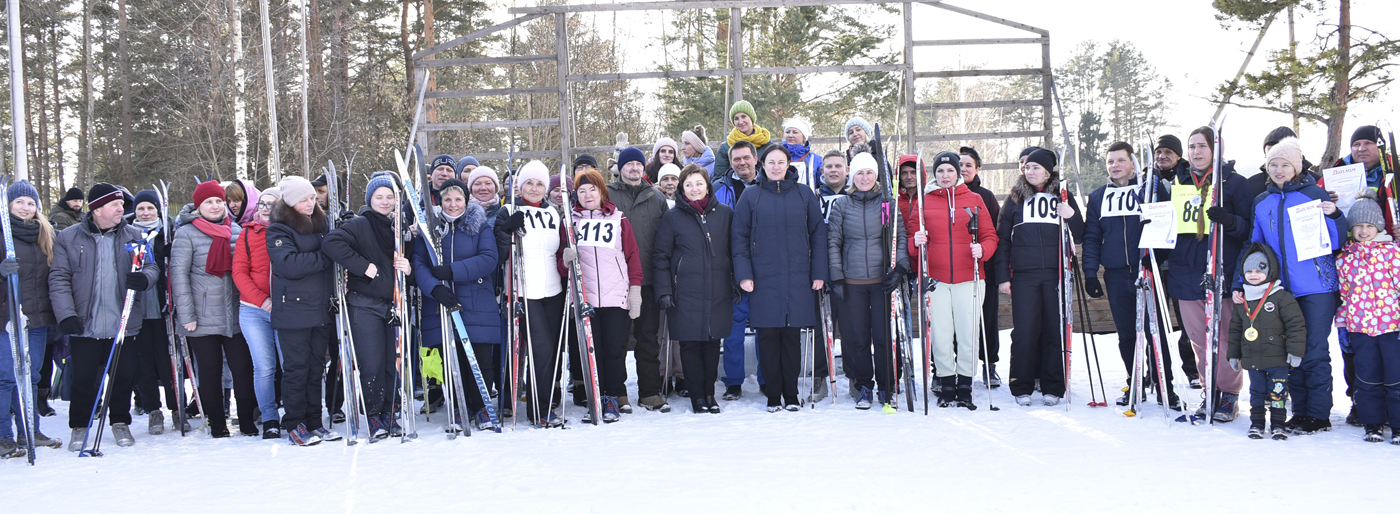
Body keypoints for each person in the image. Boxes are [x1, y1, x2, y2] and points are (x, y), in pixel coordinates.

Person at [1234, 137, 1344, 432]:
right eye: (1273, 165)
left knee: (1314, 349)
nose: (1279, 170)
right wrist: (1239, 281)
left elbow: (1336, 241)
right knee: (1287, 350)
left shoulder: (1313, 195)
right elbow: (1253, 247)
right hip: (1281, 290)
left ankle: (1319, 414)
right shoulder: (1262, 202)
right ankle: (1300, 410)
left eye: (1285, 165)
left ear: (1296, 167)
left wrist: (1335, 215)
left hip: (1317, 286)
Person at [50, 183, 159, 450]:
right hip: (85, 323)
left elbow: (151, 266)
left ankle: (120, 422)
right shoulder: (69, 237)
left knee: (123, 377)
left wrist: (144, 279)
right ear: (97, 209)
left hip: (123, 323)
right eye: (115, 205)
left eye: (122, 204)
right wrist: (66, 315)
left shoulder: (134, 235)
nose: (122, 209)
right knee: (84, 379)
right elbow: (59, 277)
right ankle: (80, 425)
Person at [1082, 142, 1179, 409]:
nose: (1115, 166)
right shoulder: (1099, 196)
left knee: (1154, 332)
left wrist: (1157, 256)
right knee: (1127, 335)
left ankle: (1164, 386)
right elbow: (1092, 236)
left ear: (1133, 164)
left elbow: (1165, 224)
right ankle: (1135, 380)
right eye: (1110, 161)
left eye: (1120, 161)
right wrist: (1090, 272)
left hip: (1147, 271)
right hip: (1115, 274)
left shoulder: (1149, 190)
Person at [1165, 126, 1252, 422]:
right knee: (1198, 339)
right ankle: (1210, 390)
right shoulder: (1179, 181)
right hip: (1185, 272)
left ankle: (1228, 394)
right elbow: (1169, 226)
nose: (1197, 152)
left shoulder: (1234, 184)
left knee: (1225, 337)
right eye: (1192, 146)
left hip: (1221, 270)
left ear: (1217, 150)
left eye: (1202, 146)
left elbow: (1250, 230)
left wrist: (1230, 221)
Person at [323, 174, 421, 438]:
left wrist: (408, 268)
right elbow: (331, 243)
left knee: (393, 364)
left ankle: (390, 411)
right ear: (370, 199)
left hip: (395, 306)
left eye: (390, 197)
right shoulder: (359, 224)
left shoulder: (400, 227)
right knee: (372, 364)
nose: (385, 201)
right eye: (380, 197)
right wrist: (364, 267)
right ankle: (374, 416)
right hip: (364, 305)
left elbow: (411, 270)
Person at [732, 144, 828, 412]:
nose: (776, 167)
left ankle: (791, 394)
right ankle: (773, 395)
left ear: (788, 165)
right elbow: (738, 238)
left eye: (781, 162)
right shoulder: (751, 197)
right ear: (762, 164)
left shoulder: (803, 194)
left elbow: (818, 234)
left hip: (798, 277)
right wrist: (744, 275)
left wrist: (819, 272)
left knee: (791, 338)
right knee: (768, 337)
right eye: (771, 162)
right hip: (762, 278)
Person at [993, 149, 1084, 407]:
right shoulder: (1014, 199)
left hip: (1055, 274)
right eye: (1027, 167)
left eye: (1036, 168)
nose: (1030, 172)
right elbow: (1002, 240)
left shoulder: (1062, 196)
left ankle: (1052, 384)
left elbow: (1079, 234)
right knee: (1025, 330)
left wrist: (1071, 215)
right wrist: (1003, 276)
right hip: (1024, 276)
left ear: (1048, 171)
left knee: (1054, 329)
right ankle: (1021, 384)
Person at [909, 151, 997, 409]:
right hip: (935, 279)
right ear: (934, 175)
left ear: (957, 173)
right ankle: (946, 383)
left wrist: (983, 250)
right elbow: (911, 243)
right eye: (940, 171)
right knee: (941, 334)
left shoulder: (974, 199)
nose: (945, 175)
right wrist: (916, 242)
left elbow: (990, 235)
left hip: (968, 277)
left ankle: (965, 384)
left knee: (969, 333)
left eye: (950, 171)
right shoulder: (924, 202)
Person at [171, 181, 255, 438]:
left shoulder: (238, 230)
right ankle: (217, 423)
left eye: (219, 201)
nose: (216, 206)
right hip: (201, 316)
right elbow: (178, 276)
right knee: (210, 371)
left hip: (236, 314)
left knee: (242, 369)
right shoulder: (186, 234)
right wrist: (187, 316)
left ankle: (247, 420)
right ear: (198, 206)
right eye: (209, 202)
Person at [560, 169, 643, 423]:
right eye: (582, 191)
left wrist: (635, 292)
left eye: (592, 189)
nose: (587, 195)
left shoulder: (619, 219)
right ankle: (595, 396)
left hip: (615, 296)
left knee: (614, 351)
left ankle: (612, 397)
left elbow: (632, 257)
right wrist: (565, 260)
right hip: (584, 299)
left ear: (601, 191)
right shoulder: (570, 222)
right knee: (591, 352)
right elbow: (561, 266)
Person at [828, 152, 909, 409]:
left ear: (876, 176)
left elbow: (900, 239)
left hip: (881, 282)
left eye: (869, 173)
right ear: (853, 175)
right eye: (860, 173)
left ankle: (888, 387)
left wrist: (899, 270)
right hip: (852, 283)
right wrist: (837, 277)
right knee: (857, 338)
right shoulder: (842, 205)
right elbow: (834, 242)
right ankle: (863, 387)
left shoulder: (887, 204)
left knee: (885, 337)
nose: (864, 177)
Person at [653, 164, 734, 414]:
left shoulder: (725, 214)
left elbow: (735, 252)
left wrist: (736, 282)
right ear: (682, 188)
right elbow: (661, 256)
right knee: (689, 345)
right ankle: (697, 397)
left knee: (711, 344)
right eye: (688, 185)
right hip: (684, 293)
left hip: (718, 290)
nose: (694, 188)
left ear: (707, 185)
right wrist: (664, 290)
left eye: (698, 183)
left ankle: (710, 394)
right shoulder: (673, 217)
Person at [266, 176, 339, 446]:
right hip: (293, 311)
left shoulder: (321, 224)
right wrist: (326, 256)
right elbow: (289, 265)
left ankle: (314, 421)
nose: (310, 203)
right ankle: (295, 423)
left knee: (315, 368)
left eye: (312, 198)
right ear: (290, 202)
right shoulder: (279, 230)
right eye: (303, 199)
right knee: (297, 369)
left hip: (320, 309)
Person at [496, 163, 568, 427]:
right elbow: (500, 254)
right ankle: (539, 409)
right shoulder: (508, 210)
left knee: (554, 350)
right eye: (529, 183)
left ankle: (546, 404)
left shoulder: (554, 213)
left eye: (539, 184)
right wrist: (507, 231)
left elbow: (560, 249)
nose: (534, 188)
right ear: (520, 186)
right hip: (526, 291)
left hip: (554, 290)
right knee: (542, 348)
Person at [609, 146, 671, 413]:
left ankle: (649, 391)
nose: (633, 168)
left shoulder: (655, 197)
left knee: (648, 337)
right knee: (618, 339)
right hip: (615, 280)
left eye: (637, 164)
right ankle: (618, 391)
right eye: (628, 164)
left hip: (647, 278)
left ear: (643, 168)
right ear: (620, 168)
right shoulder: (608, 195)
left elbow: (665, 238)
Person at [0, 180, 60, 454]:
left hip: (35, 318)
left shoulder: (45, 234)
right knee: (6, 377)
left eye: (30, 203)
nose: (25, 208)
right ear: (8, 204)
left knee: (30, 376)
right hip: (5, 318)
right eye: (19, 202)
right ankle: (3, 436)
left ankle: (29, 431)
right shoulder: (2, 234)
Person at [1335, 190, 1400, 444]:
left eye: (1369, 225)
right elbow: (1343, 296)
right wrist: (1342, 325)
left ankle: (1397, 425)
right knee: (1367, 377)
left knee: (1395, 377)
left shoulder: (1392, 254)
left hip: (1391, 326)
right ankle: (1371, 423)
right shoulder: (1345, 259)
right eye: (1358, 226)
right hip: (1360, 328)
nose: (1363, 231)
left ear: (1378, 227)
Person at [1227, 244, 1304, 440]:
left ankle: (1278, 424)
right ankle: (1257, 423)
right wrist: (1234, 354)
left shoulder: (1281, 297)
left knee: (1278, 393)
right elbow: (1235, 330)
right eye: (1249, 271)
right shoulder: (1242, 300)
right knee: (1256, 393)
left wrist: (1295, 352)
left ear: (1269, 271)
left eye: (1259, 271)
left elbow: (1295, 326)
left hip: (1278, 359)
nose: (1253, 275)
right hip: (1253, 357)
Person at [712, 140, 764, 400]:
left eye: (746, 157)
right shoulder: (719, 189)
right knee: (733, 328)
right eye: (736, 159)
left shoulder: (768, 185)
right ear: (730, 162)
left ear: (756, 158)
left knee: (765, 325)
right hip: (731, 268)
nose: (742, 163)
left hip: (764, 266)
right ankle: (733, 381)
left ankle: (767, 378)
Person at [233, 187, 284, 439]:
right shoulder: (247, 233)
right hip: (254, 311)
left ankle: (294, 413)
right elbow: (239, 272)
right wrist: (263, 301)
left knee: (290, 364)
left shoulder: (290, 231)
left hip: (286, 309)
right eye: (262, 204)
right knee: (264, 367)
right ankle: (270, 417)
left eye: (271, 204)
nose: (265, 208)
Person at [126, 190, 177, 436]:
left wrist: (172, 255)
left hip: (164, 306)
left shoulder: (170, 232)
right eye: (140, 209)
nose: (145, 213)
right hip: (137, 309)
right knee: (142, 362)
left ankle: (177, 407)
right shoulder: (126, 233)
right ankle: (153, 410)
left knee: (168, 360)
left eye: (150, 209)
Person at [1152, 134, 1200, 388]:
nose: (1163, 156)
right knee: (1155, 322)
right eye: (1159, 152)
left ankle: (1192, 369)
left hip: (1181, 260)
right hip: (1156, 260)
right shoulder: (1148, 181)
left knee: (1187, 321)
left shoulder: (1187, 177)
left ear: (1179, 155)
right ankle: (1155, 370)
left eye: (1168, 152)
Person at [957, 146, 1003, 387]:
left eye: (968, 165)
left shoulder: (985, 197)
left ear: (977, 169)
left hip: (985, 270)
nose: (963, 169)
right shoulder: (945, 194)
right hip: (956, 271)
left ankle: (990, 365)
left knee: (987, 319)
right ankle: (953, 367)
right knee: (957, 321)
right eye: (960, 164)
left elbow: (995, 233)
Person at [714, 100, 778, 181]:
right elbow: (719, 178)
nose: (740, 122)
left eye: (744, 116)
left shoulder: (767, 145)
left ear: (751, 118)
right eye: (736, 118)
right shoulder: (726, 147)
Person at [782, 118, 822, 190]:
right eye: (787, 132)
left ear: (804, 137)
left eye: (795, 132)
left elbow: (822, 184)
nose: (790, 135)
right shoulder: (779, 156)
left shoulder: (816, 159)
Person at [817, 150, 850, 221]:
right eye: (829, 166)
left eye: (838, 166)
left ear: (847, 170)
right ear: (822, 171)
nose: (833, 170)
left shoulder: (856, 196)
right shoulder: (814, 198)